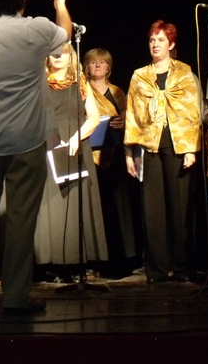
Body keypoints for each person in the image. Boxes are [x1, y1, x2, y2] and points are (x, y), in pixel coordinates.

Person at [0, 0, 71, 314]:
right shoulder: (36, 28)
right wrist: (61, 4)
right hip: (26, 138)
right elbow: (65, 35)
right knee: (21, 219)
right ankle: (15, 296)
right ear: (23, 0)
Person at [124, 21, 201, 284]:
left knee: (180, 208)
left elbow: (192, 112)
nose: (155, 44)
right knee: (153, 210)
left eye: (160, 40)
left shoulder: (184, 73)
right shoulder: (139, 76)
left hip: (178, 146)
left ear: (171, 44)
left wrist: (190, 149)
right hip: (149, 146)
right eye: (152, 40)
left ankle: (182, 267)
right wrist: (129, 152)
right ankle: (156, 270)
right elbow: (132, 115)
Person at [34, 43, 106, 275]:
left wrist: (76, 137)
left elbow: (94, 117)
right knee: (51, 206)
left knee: (76, 204)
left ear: (70, 56)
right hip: (47, 146)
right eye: (53, 52)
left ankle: (77, 262)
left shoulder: (80, 82)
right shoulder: (39, 82)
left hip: (76, 145)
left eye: (63, 52)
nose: (58, 56)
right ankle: (50, 263)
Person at [84, 47, 140, 277]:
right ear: (86, 67)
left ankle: (123, 257)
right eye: (92, 62)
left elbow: (131, 117)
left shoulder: (117, 92)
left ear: (109, 67)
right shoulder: (82, 90)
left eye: (102, 62)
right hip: (90, 156)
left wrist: (123, 121)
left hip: (115, 155)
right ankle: (96, 259)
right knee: (96, 207)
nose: (97, 65)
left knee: (118, 206)